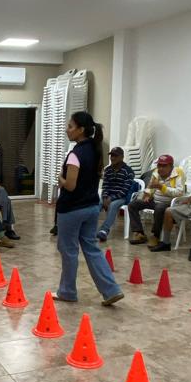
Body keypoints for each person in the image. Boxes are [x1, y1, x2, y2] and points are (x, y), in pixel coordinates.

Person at [55, 112, 124, 306]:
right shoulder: (95, 150)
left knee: (68, 250)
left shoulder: (75, 154)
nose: (67, 130)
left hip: (72, 210)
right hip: (91, 207)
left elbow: (70, 185)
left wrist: (60, 179)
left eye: (70, 126)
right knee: (92, 249)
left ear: (81, 130)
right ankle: (111, 290)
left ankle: (67, 292)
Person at [127, 154, 186, 247]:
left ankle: (156, 235)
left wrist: (161, 187)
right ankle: (139, 233)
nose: (161, 168)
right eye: (159, 165)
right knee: (132, 205)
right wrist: (148, 194)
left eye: (164, 166)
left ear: (171, 166)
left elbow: (179, 193)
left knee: (159, 208)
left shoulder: (178, 173)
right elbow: (150, 186)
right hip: (154, 200)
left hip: (169, 203)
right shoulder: (156, 172)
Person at [96, 147, 137, 242]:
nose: (112, 158)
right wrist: (105, 197)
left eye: (115, 156)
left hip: (122, 197)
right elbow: (105, 186)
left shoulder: (128, 171)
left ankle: (104, 230)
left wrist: (111, 198)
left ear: (122, 157)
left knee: (113, 205)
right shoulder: (108, 170)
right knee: (97, 203)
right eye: (111, 156)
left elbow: (125, 190)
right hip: (108, 196)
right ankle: (89, 228)